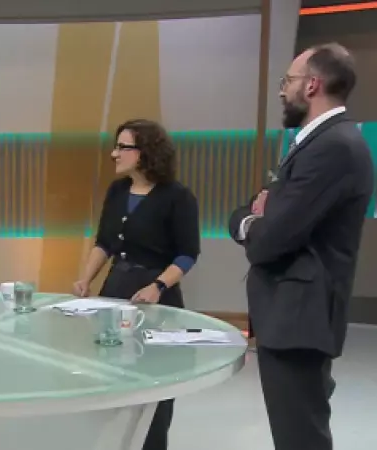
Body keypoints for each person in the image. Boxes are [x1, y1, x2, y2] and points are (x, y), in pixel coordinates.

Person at [229, 43, 374, 450]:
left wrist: (248, 223)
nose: (282, 90)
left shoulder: (333, 147)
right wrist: (258, 218)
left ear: (312, 85)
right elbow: (264, 214)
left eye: (287, 81)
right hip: (291, 319)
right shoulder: (317, 143)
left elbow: (269, 240)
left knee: (300, 440)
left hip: (299, 322)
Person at [73, 119, 201, 450]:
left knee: (156, 383)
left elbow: (187, 255)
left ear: (145, 152)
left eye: (122, 147)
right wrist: (86, 278)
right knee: (112, 377)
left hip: (157, 299)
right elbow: (104, 242)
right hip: (115, 293)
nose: (114, 154)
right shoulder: (117, 191)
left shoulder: (178, 197)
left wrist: (158, 286)